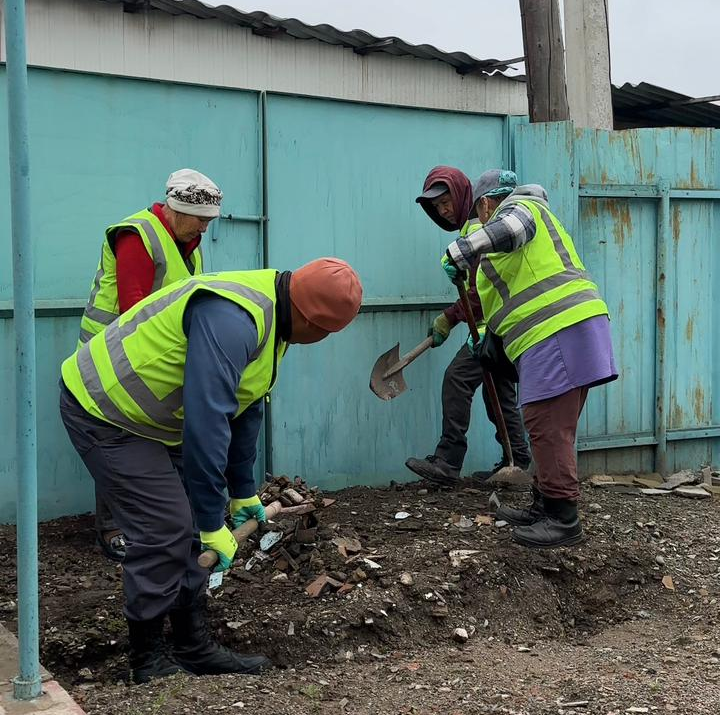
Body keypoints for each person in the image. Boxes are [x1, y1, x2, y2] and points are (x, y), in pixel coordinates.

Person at [60, 258, 363, 684]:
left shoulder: (276, 316)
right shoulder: (232, 320)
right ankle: (147, 661)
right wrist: (208, 522)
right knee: (165, 527)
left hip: (157, 418)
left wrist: (241, 491)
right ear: (312, 320)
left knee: (186, 527)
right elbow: (207, 422)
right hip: (106, 409)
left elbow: (245, 405)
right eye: (326, 332)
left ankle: (192, 646)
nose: (322, 340)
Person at [443, 169, 617, 549]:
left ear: (486, 205)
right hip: (559, 330)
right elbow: (508, 298)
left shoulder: (520, 207)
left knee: (545, 422)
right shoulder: (507, 248)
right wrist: (489, 338)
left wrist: (461, 250)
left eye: (479, 214)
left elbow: (513, 227)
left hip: (558, 327)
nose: (479, 222)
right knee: (548, 423)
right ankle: (545, 504)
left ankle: (563, 519)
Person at [78, 168, 223, 562]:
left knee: (155, 439)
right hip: (110, 356)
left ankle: (166, 521)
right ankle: (113, 527)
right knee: (119, 439)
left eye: (210, 221)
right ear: (176, 209)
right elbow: (134, 309)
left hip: (150, 354)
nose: (205, 228)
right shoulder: (138, 236)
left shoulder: (188, 243)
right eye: (201, 219)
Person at [406, 166, 530, 484]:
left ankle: (448, 461)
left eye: (446, 202)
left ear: (464, 195)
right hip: (503, 325)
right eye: (437, 207)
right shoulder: (473, 228)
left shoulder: (479, 227)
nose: (443, 211)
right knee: (498, 393)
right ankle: (518, 461)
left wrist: (448, 318)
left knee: (457, 379)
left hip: (494, 328)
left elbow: (479, 293)